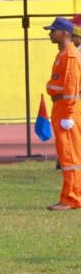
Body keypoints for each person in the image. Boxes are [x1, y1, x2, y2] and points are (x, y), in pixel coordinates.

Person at [43, 17, 81, 210]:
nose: (50, 34)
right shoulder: (63, 54)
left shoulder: (71, 55)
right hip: (61, 107)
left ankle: (71, 198)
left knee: (70, 156)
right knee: (67, 154)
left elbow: (72, 87)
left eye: (53, 30)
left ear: (65, 33)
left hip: (68, 110)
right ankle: (72, 195)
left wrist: (68, 115)